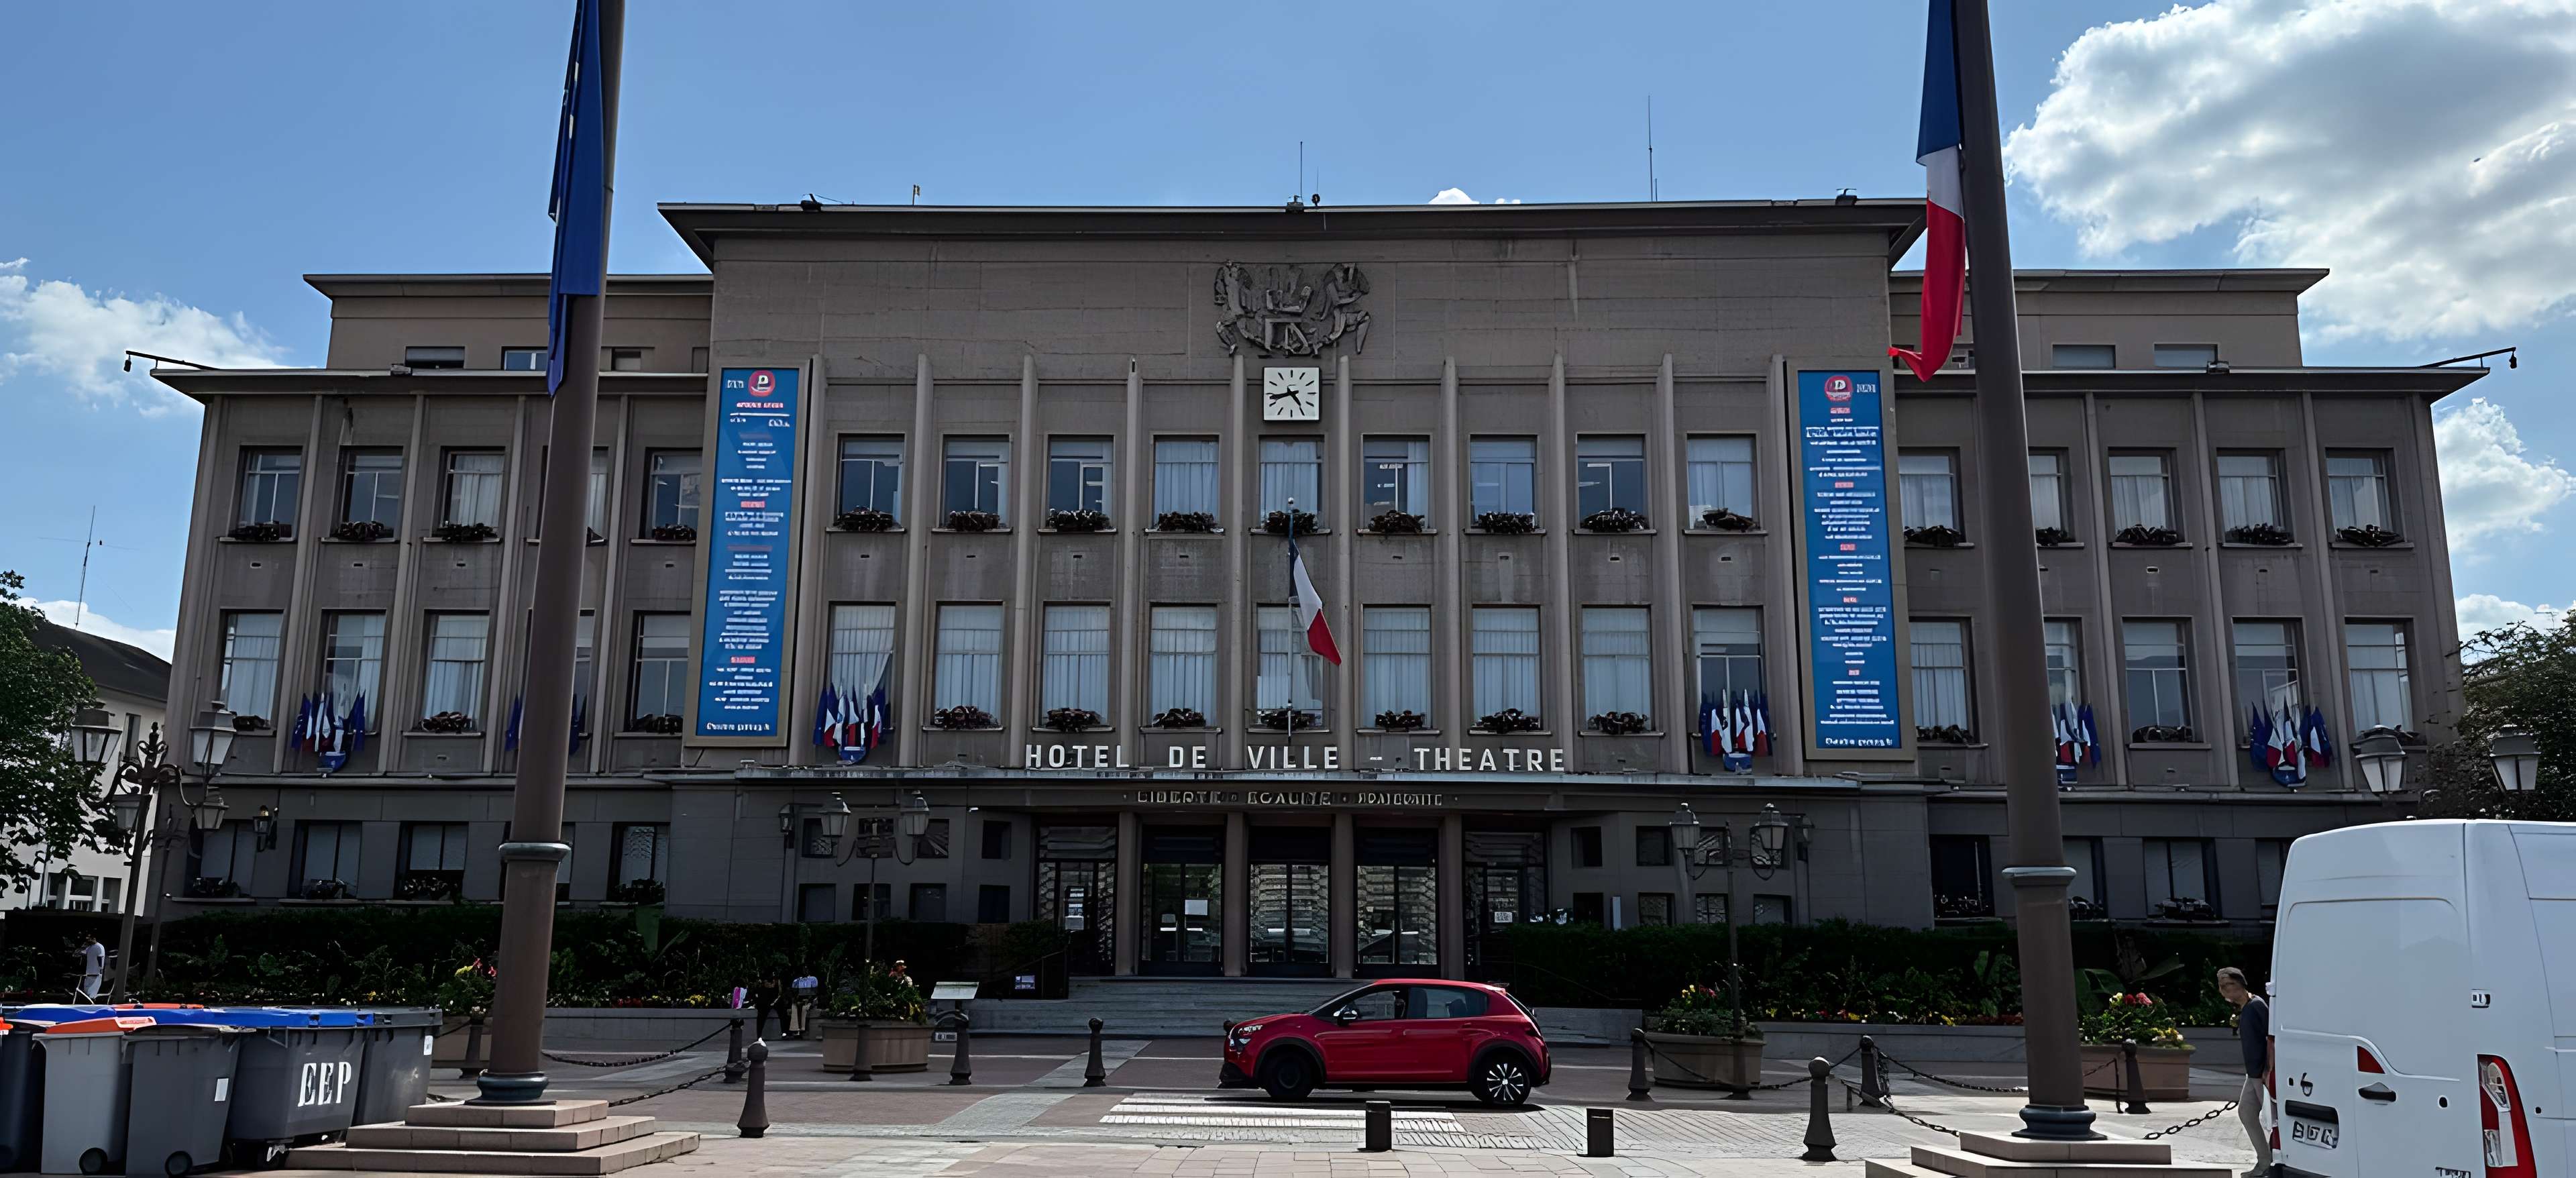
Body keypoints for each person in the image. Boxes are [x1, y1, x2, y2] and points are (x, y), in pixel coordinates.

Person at [2218, 967, 2270, 1177]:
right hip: (2254, 1073)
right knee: (2247, 1113)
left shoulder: (2256, 1006)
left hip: (2262, 1073)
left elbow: (2271, 1039)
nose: (2223, 991)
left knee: (2270, 1119)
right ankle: (2265, 1161)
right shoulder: (2247, 1007)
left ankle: (2269, 1163)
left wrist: (2269, 1070)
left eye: (2226, 985)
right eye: (2221, 986)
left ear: (2238, 984)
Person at [787, 969, 820, 1040]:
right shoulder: (797, 981)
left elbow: (815, 993)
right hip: (799, 1001)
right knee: (795, 1007)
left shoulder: (813, 979)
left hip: (809, 1001)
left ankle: (802, 1030)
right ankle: (796, 1030)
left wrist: (808, 1001)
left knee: (804, 1009)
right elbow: (793, 993)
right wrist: (796, 1001)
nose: (805, 971)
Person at [76, 934, 105, 1000]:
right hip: (89, 973)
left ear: (93, 939)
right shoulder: (89, 947)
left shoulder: (99, 947)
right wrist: (83, 947)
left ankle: (92, 1001)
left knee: (92, 993)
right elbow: (77, 954)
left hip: (96, 974)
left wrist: (100, 970)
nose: (88, 940)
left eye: (89, 939)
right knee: (87, 991)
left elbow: (100, 959)